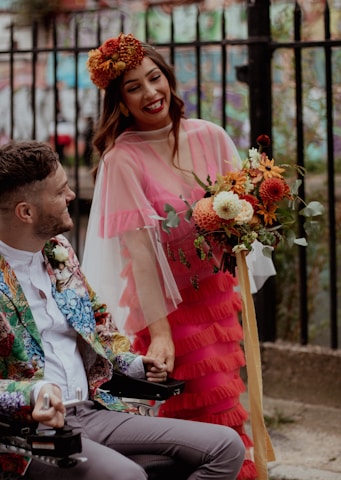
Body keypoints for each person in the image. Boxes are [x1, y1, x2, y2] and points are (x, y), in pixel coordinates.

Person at [0, 141, 246, 479]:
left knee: (225, 446)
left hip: (94, 410)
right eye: (60, 191)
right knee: (127, 476)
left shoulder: (58, 250)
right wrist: (34, 392)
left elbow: (100, 324)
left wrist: (133, 363)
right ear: (26, 212)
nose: (72, 194)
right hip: (27, 433)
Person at [82, 33, 259, 480]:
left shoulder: (211, 136)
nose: (150, 93)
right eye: (134, 87)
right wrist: (160, 334)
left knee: (224, 404)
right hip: (166, 304)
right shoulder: (122, 160)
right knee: (197, 405)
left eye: (154, 78)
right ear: (120, 102)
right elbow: (139, 255)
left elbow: (243, 215)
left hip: (217, 293)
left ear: (169, 78)